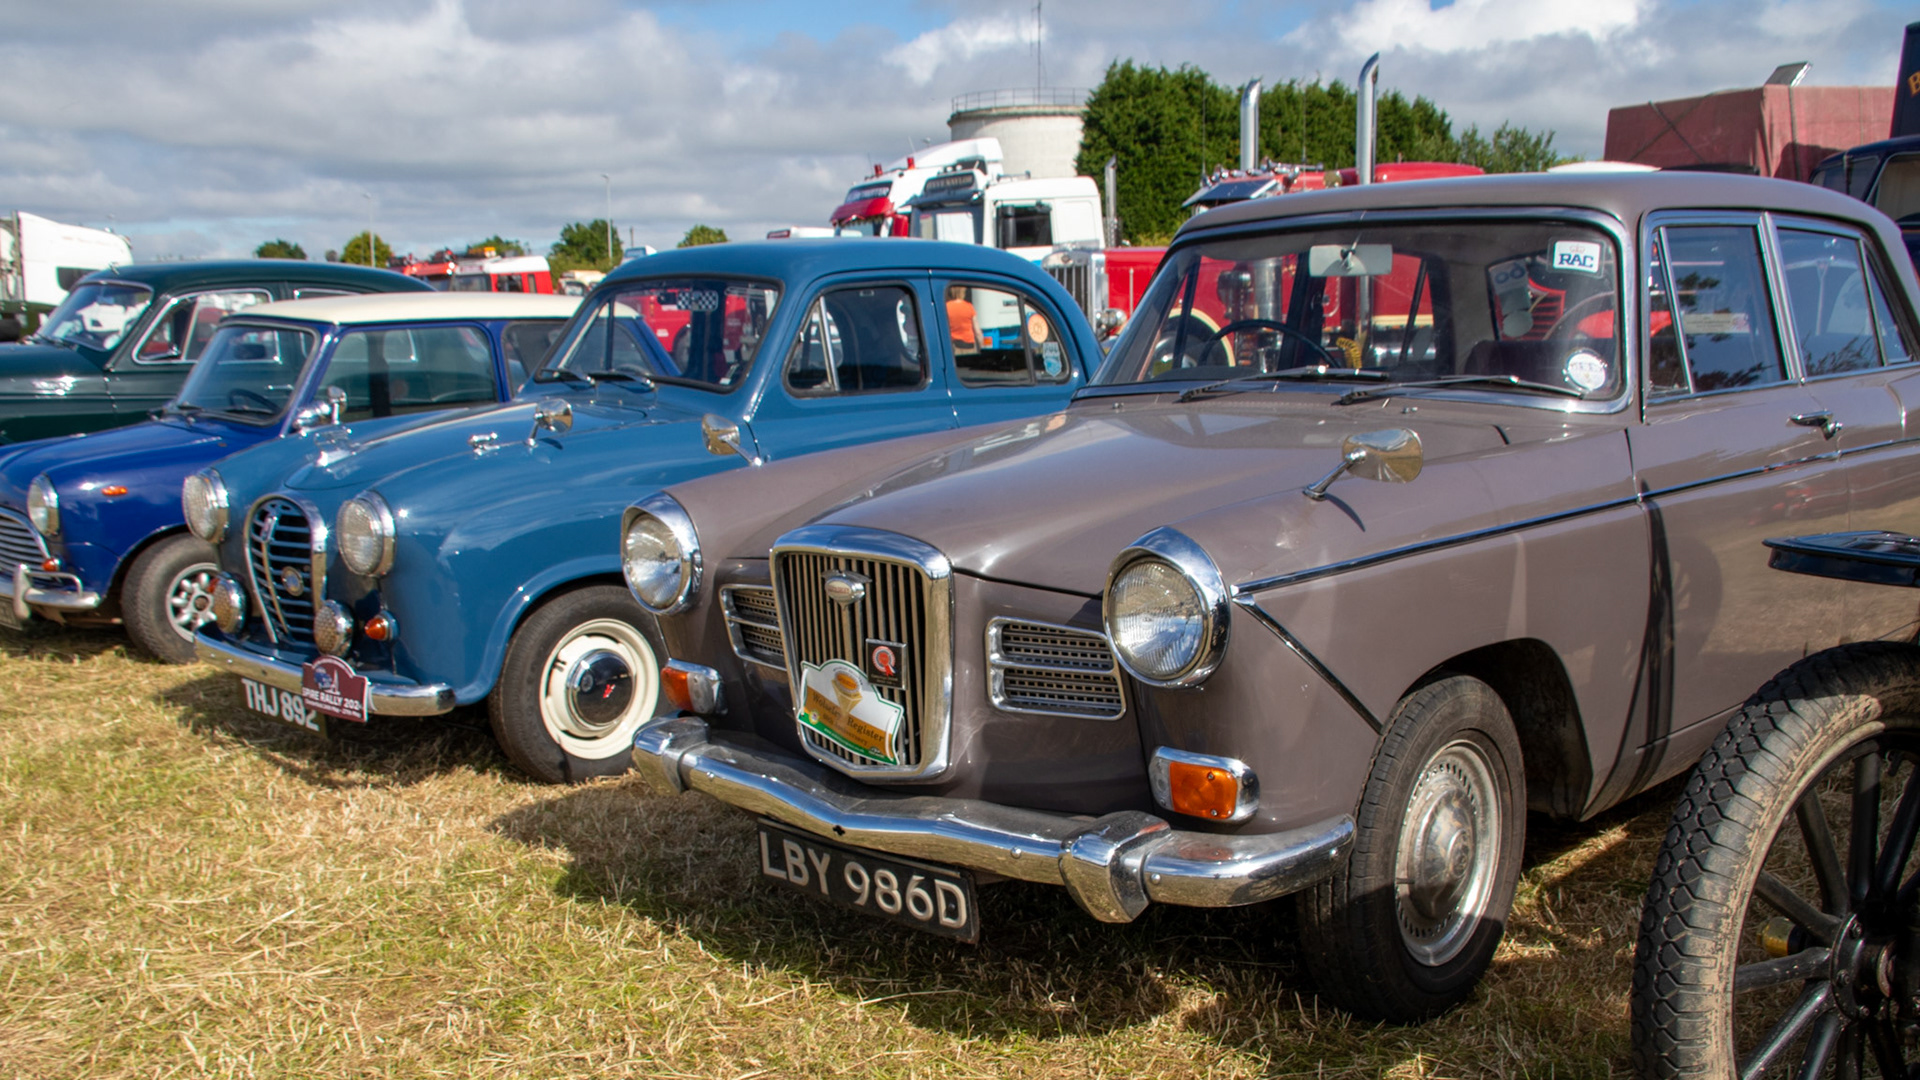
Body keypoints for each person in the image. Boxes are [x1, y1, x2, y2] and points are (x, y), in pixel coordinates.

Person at [945, 285, 980, 353]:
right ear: (963, 292)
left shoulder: (946, 307)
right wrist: (980, 346)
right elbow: (977, 332)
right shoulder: (969, 306)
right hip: (970, 347)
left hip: (954, 347)